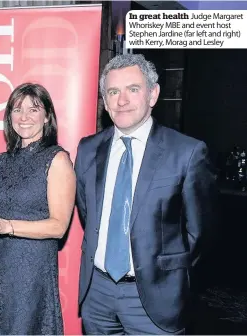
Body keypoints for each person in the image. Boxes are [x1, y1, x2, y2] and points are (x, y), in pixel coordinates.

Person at [75, 54, 218, 334]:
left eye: (133, 89)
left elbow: (201, 232)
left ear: (153, 94)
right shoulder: (88, 149)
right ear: (105, 101)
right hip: (97, 295)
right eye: (113, 92)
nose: (122, 100)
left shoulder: (187, 153)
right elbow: (87, 213)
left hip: (156, 299)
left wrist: (171, 273)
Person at [0, 83, 76, 335]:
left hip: (33, 270)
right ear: (9, 117)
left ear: (47, 117)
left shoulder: (57, 159)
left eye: (34, 110)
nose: (24, 117)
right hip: (1, 268)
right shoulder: (2, 161)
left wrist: (6, 226)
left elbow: (58, 226)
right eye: (17, 110)